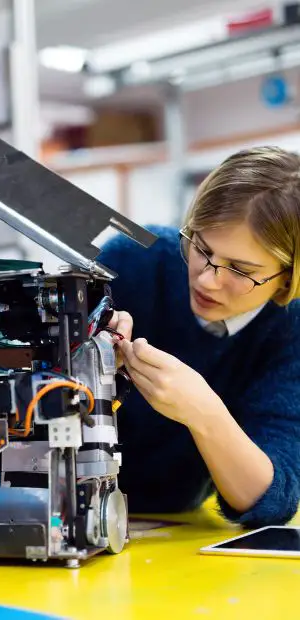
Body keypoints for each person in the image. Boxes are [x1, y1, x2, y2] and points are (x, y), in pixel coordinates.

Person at [99, 146, 300, 528]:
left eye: (241, 270)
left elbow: (271, 500)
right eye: (201, 249)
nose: (207, 280)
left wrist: (202, 411)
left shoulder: (291, 329)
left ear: (288, 277)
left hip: (174, 531)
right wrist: (87, 347)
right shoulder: (133, 259)